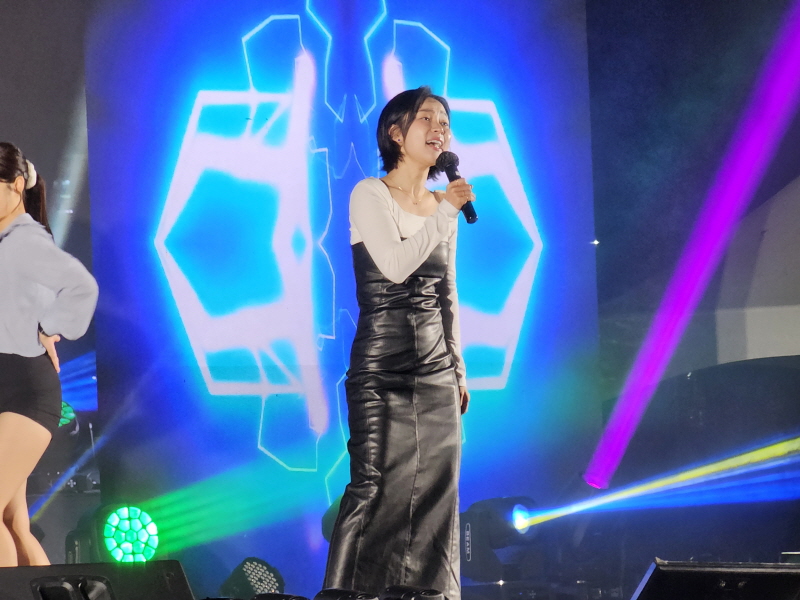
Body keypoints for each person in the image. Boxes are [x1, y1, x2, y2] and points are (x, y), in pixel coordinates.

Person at [324, 87, 475, 600]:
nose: (439, 129)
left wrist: (457, 368)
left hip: (436, 369)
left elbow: (446, 292)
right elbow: (394, 266)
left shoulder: (440, 204)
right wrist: (445, 213)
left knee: (437, 494)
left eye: (444, 122)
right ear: (396, 132)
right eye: (427, 119)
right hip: (382, 366)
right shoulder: (370, 193)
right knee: (374, 487)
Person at [0, 141, 98, 566]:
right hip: (11, 387)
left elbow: (82, 286)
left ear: (16, 185)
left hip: (24, 392)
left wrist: (47, 328)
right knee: (14, 522)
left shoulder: (23, 241)